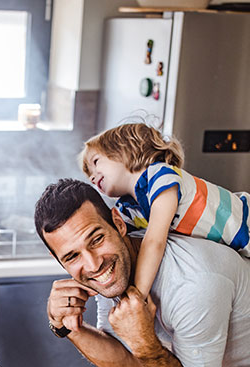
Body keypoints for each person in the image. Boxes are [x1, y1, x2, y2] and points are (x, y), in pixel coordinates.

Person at [34, 178, 250, 367]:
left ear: (118, 223)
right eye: (72, 256)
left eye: (96, 240)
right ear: (58, 260)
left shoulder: (193, 282)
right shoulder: (117, 267)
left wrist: (143, 342)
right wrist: (67, 326)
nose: (93, 264)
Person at [80, 123, 250, 299]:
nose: (92, 177)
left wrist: (138, 297)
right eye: (89, 175)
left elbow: (154, 241)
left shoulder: (161, 176)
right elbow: (113, 238)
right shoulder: (130, 208)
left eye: (96, 162)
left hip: (245, 223)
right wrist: (90, 283)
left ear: (126, 149)